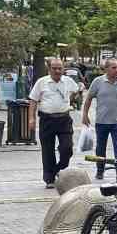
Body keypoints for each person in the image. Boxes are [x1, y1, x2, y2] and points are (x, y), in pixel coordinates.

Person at [28, 58, 79, 188]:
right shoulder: (41, 82)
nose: (57, 71)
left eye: (60, 68)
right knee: (47, 150)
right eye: (54, 68)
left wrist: (70, 100)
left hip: (64, 119)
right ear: (49, 69)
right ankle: (49, 179)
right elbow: (33, 101)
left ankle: (58, 169)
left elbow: (76, 92)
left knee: (67, 148)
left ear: (63, 69)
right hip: (47, 120)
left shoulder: (68, 81)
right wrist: (31, 118)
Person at [82, 59, 117, 180]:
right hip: (102, 122)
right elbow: (88, 98)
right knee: (100, 148)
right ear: (106, 69)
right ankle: (100, 170)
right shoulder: (98, 82)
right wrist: (84, 114)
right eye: (114, 68)